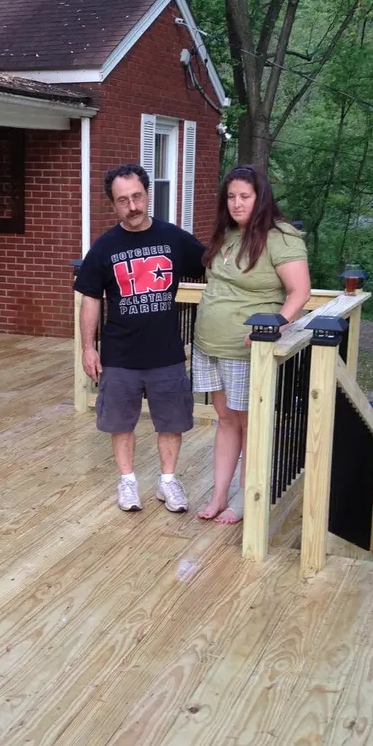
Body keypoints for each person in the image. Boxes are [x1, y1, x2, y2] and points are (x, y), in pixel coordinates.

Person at [75, 163, 207, 512]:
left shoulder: (174, 238)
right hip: (120, 354)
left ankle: (168, 482)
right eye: (123, 200)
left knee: (172, 421)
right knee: (121, 423)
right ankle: (128, 482)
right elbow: (90, 298)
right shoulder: (104, 247)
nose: (132, 206)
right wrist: (89, 348)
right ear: (113, 205)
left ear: (148, 195)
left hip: (166, 352)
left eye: (137, 197)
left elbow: (215, 262)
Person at [193, 165, 311, 524]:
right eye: (231, 197)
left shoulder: (282, 237)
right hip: (208, 345)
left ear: (261, 198)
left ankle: (245, 497)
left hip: (247, 349)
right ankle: (217, 495)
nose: (236, 203)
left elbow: (300, 292)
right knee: (225, 421)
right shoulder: (227, 234)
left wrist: (275, 325)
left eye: (244, 196)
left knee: (249, 425)